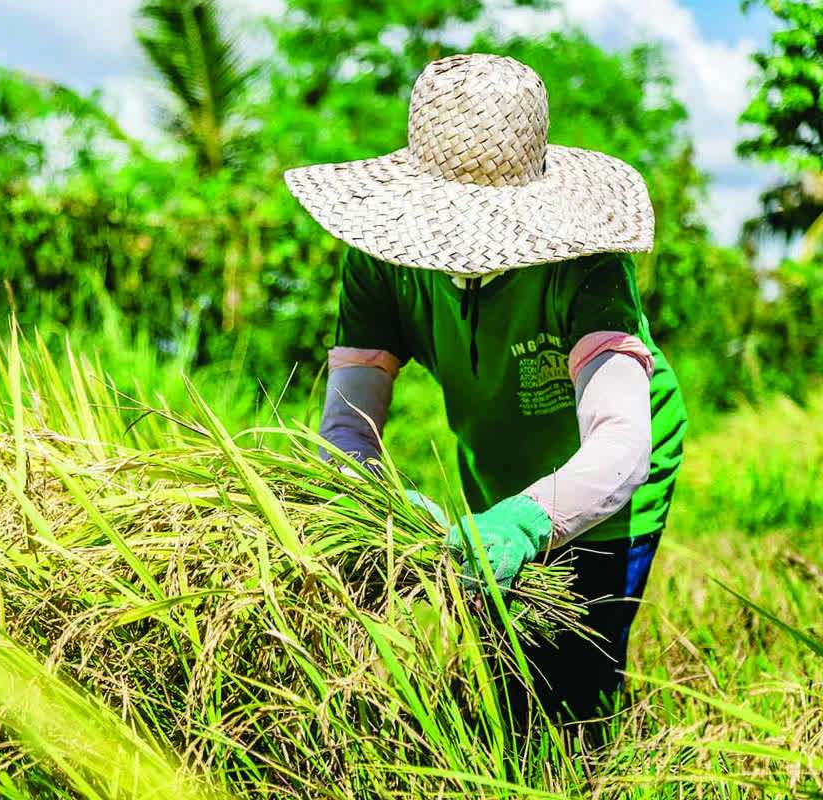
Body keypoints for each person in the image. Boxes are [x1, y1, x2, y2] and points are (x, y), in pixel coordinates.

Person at [284, 53, 687, 722]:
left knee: (576, 689)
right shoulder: (381, 262)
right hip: (495, 458)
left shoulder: (587, 267)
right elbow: (347, 429)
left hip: (613, 473)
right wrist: (379, 504)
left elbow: (621, 441)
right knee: (503, 678)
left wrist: (529, 518)